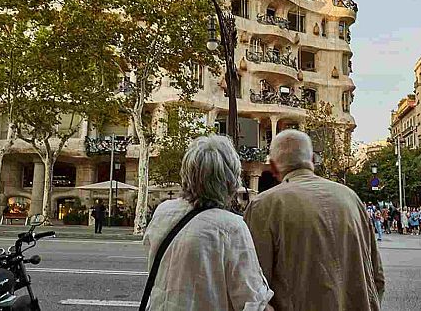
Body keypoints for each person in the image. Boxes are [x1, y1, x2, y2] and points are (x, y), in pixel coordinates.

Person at [244, 130, 384, 311]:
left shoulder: (264, 206)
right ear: (312, 159)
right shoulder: (350, 198)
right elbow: (377, 277)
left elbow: (255, 289)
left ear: (272, 166)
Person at [142, 135, 274, 311]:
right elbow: (252, 301)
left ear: (187, 173)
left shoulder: (164, 212)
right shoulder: (231, 227)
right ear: (230, 180)